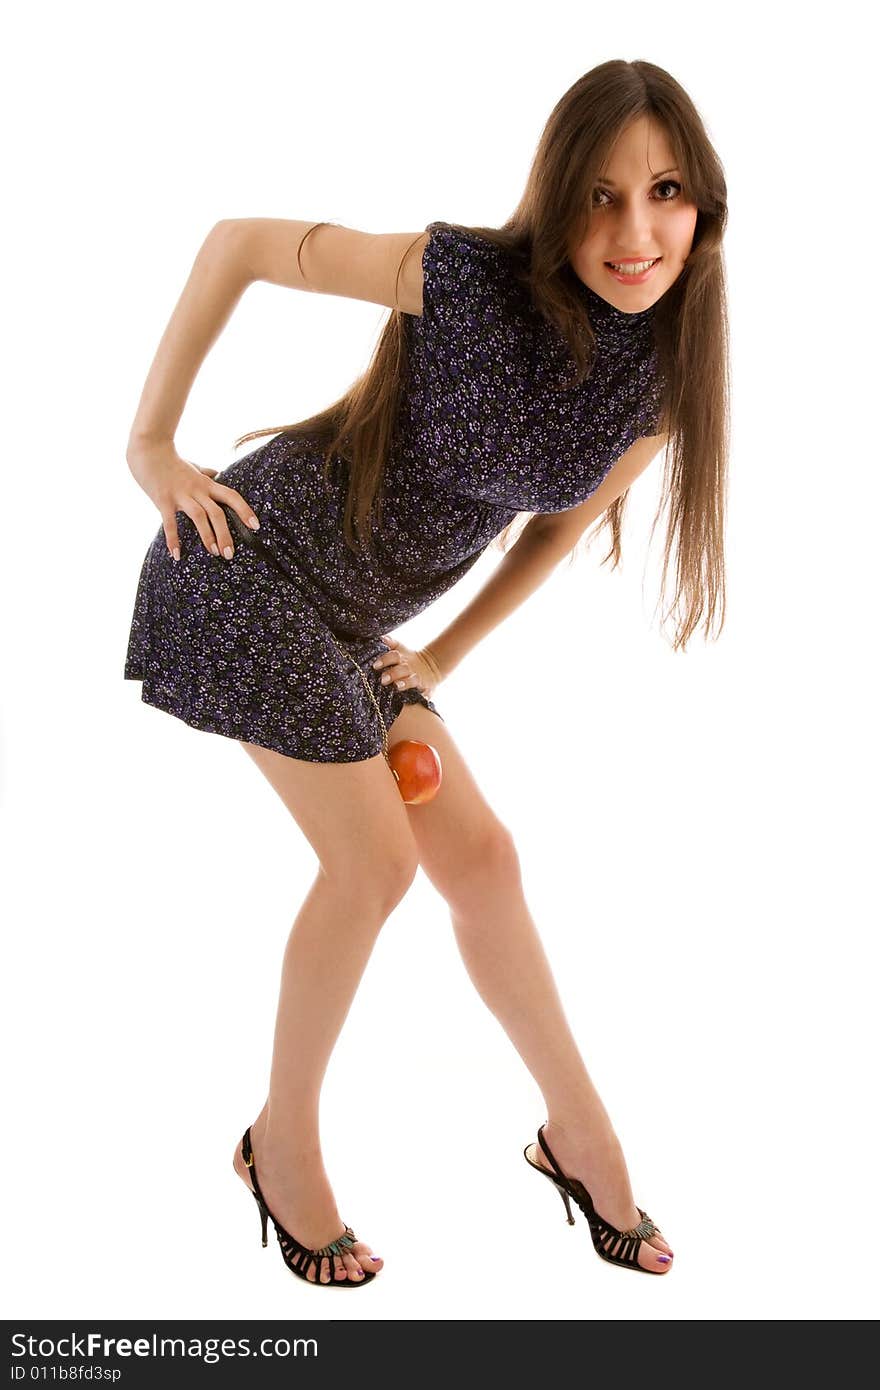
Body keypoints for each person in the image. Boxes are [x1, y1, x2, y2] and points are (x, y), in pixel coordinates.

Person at [123, 58, 729, 1285]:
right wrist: (151, 447)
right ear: (556, 197)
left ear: (703, 206)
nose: (634, 230)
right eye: (601, 195)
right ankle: (277, 1144)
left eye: (665, 192)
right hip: (247, 562)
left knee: (483, 859)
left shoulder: (657, 382)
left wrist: (446, 650)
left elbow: (555, 528)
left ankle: (578, 1134)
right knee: (374, 863)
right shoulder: (456, 276)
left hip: (355, 625)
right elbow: (237, 240)